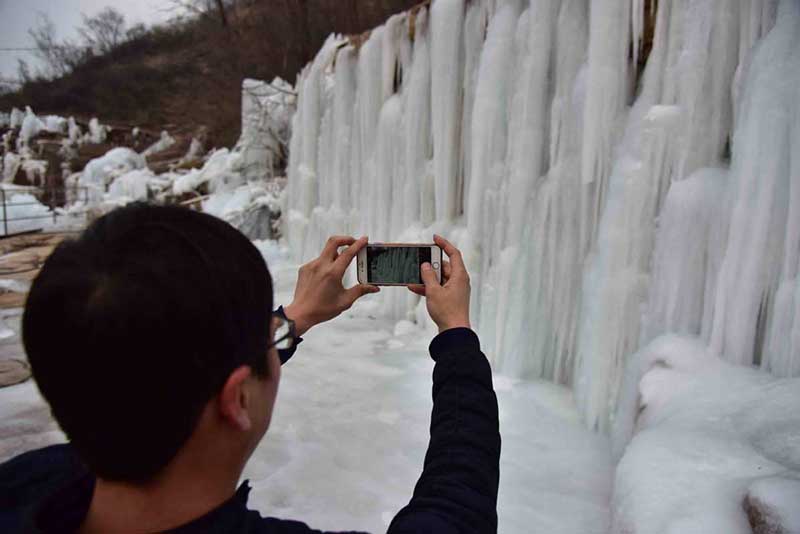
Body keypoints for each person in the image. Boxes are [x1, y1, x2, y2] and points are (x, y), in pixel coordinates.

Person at [0, 203, 501, 533]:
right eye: (265, 339)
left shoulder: (24, 486)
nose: (274, 337)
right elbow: (456, 511)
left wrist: (297, 318)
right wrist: (456, 332)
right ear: (237, 398)